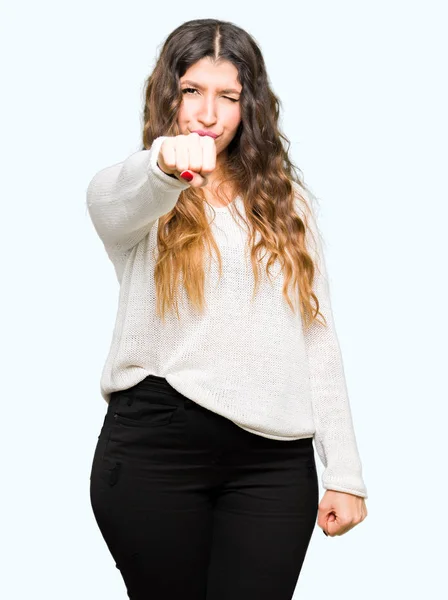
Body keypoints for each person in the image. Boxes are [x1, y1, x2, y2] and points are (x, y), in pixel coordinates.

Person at [86, 17, 368, 600]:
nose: (207, 114)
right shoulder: (139, 190)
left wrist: (343, 471)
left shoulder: (284, 206)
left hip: (272, 464)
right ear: (168, 95)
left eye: (228, 96)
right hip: (156, 452)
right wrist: (167, 165)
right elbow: (115, 202)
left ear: (249, 107)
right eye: (191, 91)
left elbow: (316, 335)